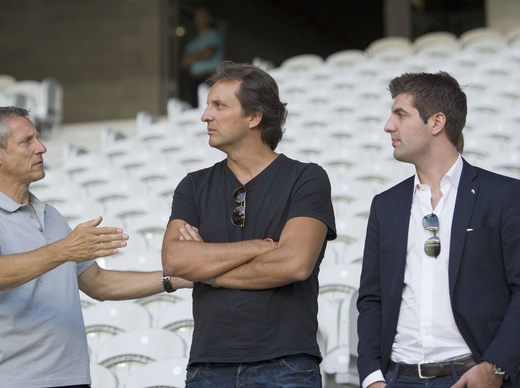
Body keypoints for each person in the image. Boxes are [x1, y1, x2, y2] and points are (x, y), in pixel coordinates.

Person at [0, 106, 192, 388]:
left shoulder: (50, 215)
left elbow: (99, 284)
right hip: (12, 381)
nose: (41, 148)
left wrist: (176, 279)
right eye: (27, 141)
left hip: (71, 378)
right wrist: (63, 249)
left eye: (38, 138)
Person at [161, 61, 337, 387]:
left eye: (219, 106)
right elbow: (175, 261)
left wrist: (208, 270)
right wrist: (256, 247)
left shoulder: (306, 178)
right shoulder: (193, 185)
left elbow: (294, 265)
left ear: (253, 117)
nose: (205, 116)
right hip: (208, 366)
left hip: (286, 363)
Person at [356, 71, 520, 388]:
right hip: (395, 379)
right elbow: (371, 300)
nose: (388, 126)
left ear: (436, 122)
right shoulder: (384, 205)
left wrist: (496, 366)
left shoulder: (503, 196)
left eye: (400, 115)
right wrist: (371, 376)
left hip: (472, 378)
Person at [181, 6, 224, 107]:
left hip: (211, 77)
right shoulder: (192, 43)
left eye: (203, 16)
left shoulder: (214, 35)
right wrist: (201, 54)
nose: (200, 19)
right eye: (198, 16)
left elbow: (208, 53)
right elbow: (184, 63)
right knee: (196, 108)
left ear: (209, 18)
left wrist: (192, 57)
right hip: (195, 80)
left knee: (212, 107)